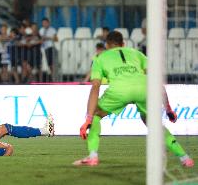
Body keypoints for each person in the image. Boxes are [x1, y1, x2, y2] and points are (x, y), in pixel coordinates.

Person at [73, 31, 194, 167]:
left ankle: (93, 156)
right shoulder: (138, 54)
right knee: (153, 124)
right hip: (144, 89)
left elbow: (95, 87)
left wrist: (88, 118)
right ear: (123, 44)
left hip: (120, 91)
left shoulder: (100, 58)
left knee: (96, 115)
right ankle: (185, 158)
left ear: (106, 45)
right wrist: (168, 108)